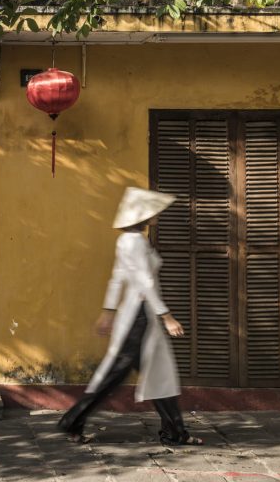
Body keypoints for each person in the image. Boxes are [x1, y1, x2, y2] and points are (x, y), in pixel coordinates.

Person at [57, 186, 203, 446]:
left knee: (154, 372)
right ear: (143, 214)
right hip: (140, 317)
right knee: (121, 374)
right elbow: (144, 282)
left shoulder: (130, 240)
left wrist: (109, 311)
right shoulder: (134, 242)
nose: (157, 215)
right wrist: (166, 315)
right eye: (153, 211)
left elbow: (118, 278)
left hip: (139, 314)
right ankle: (72, 421)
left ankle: (174, 432)